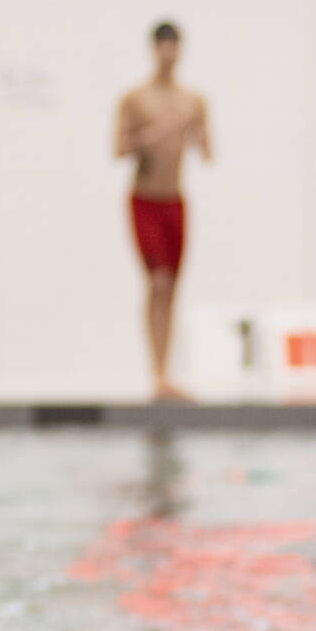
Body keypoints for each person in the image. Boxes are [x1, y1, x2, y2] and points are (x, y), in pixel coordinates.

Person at [115, 22, 210, 403]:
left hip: (176, 199)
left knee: (172, 286)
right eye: (163, 47)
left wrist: (193, 134)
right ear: (154, 49)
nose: (169, 54)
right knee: (158, 283)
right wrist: (154, 134)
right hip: (144, 198)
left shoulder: (194, 100)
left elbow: (207, 150)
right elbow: (119, 149)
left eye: (174, 47)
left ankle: (166, 375)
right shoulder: (135, 99)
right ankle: (156, 373)